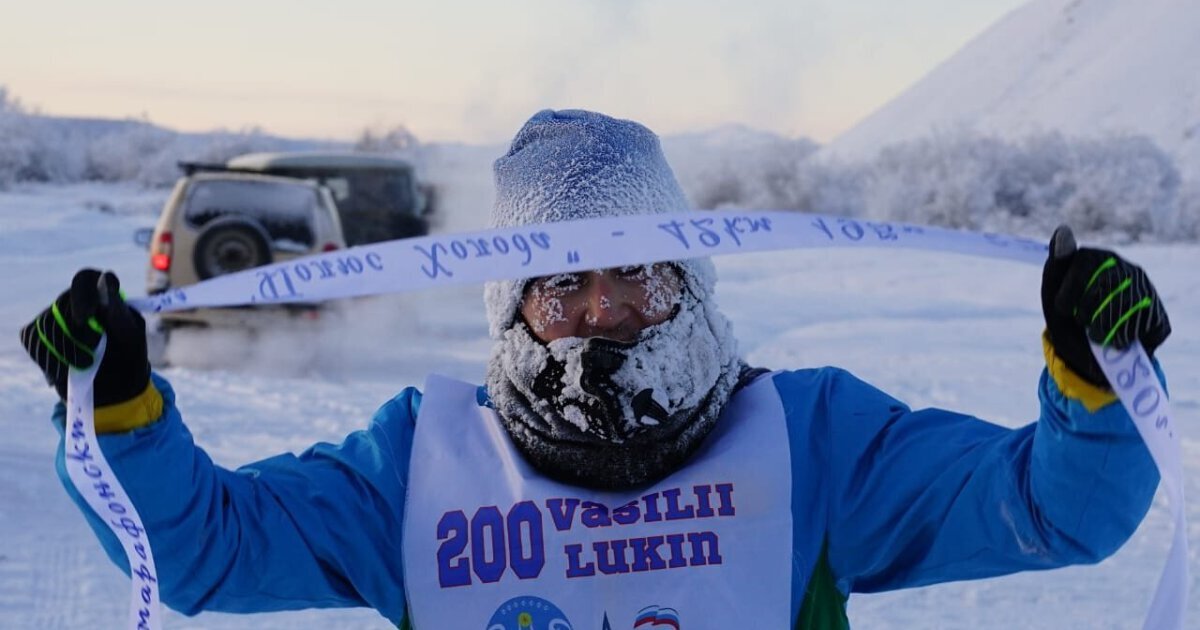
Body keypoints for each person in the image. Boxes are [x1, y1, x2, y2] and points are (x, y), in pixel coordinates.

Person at [21, 109, 1171, 629]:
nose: (601, 313)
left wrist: (1091, 379)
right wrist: (119, 412)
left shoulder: (815, 442)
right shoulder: (419, 465)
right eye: (560, 285)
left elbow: (1049, 512)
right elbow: (207, 554)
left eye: (635, 274)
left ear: (692, 280)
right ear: (512, 302)